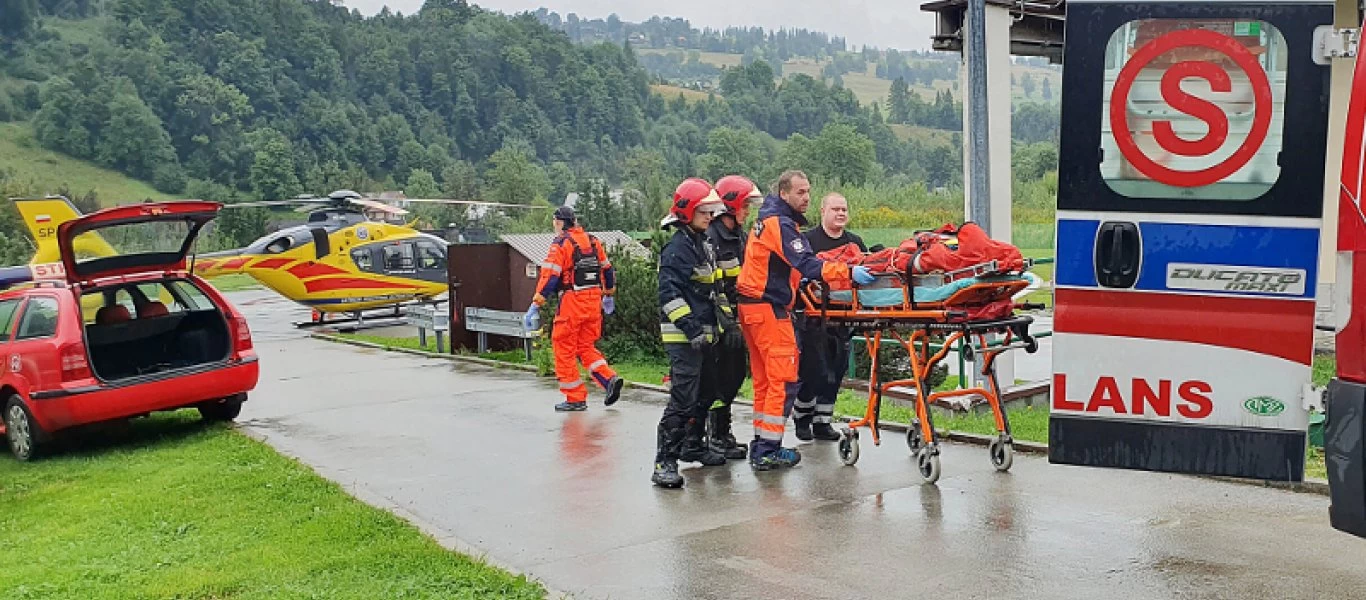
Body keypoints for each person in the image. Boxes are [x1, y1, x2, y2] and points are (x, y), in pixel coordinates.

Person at [735, 171, 875, 470]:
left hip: (754, 309)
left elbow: (786, 267)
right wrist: (847, 273)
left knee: (765, 382)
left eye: (808, 191)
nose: (806, 197)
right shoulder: (780, 225)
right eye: (800, 192)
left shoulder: (768, 221)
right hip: (769, 309)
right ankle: (768, 449)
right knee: (783, 380)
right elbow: (806, 263)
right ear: (784, 193)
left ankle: (762, 444)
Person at [652, 178, 731, 488]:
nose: (709, 217)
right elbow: (668, 295)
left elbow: (714, 289)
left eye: (711, 211)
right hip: (683, 337)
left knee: (708, 393)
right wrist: (692, 329)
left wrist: (728, 323)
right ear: (686, 211)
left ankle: (691, 446)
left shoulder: (703, 243)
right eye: (703, 211)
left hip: (706, 334)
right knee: (683, 399)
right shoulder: (677, 248)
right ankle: (664, 461)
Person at [525, 205, 625, 412]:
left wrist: (536, 303)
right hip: (594, 301)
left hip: (572, 301)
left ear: (560, 222)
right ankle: (609, 379)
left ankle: (575, 398)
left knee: (563, 348)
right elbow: (607, 269)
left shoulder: (561, 244)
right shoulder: (593, 241)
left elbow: (551, 276)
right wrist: (609, 294)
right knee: (585, 346)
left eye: (554, 221)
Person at [795, 192, 868, 441]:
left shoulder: (855, 242)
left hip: (844, 318)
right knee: (813, 370)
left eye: (844, 210)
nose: (840, 214)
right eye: (835, 209)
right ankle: (802, 418)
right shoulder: (808, 241)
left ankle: (823, 422)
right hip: (814, 317)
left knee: (835, 372)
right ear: (823, 211)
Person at [704, 175, 763, 461]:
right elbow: (716, 287)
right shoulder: (713, 237)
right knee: (720, 377)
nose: (747, 212)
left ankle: (721, 433)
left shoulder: (738, 235)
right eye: (744, 206)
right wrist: (727, 323)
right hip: (720, 320)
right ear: (729, 206)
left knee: (735, 374)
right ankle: (714, 434)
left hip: (740, 316)